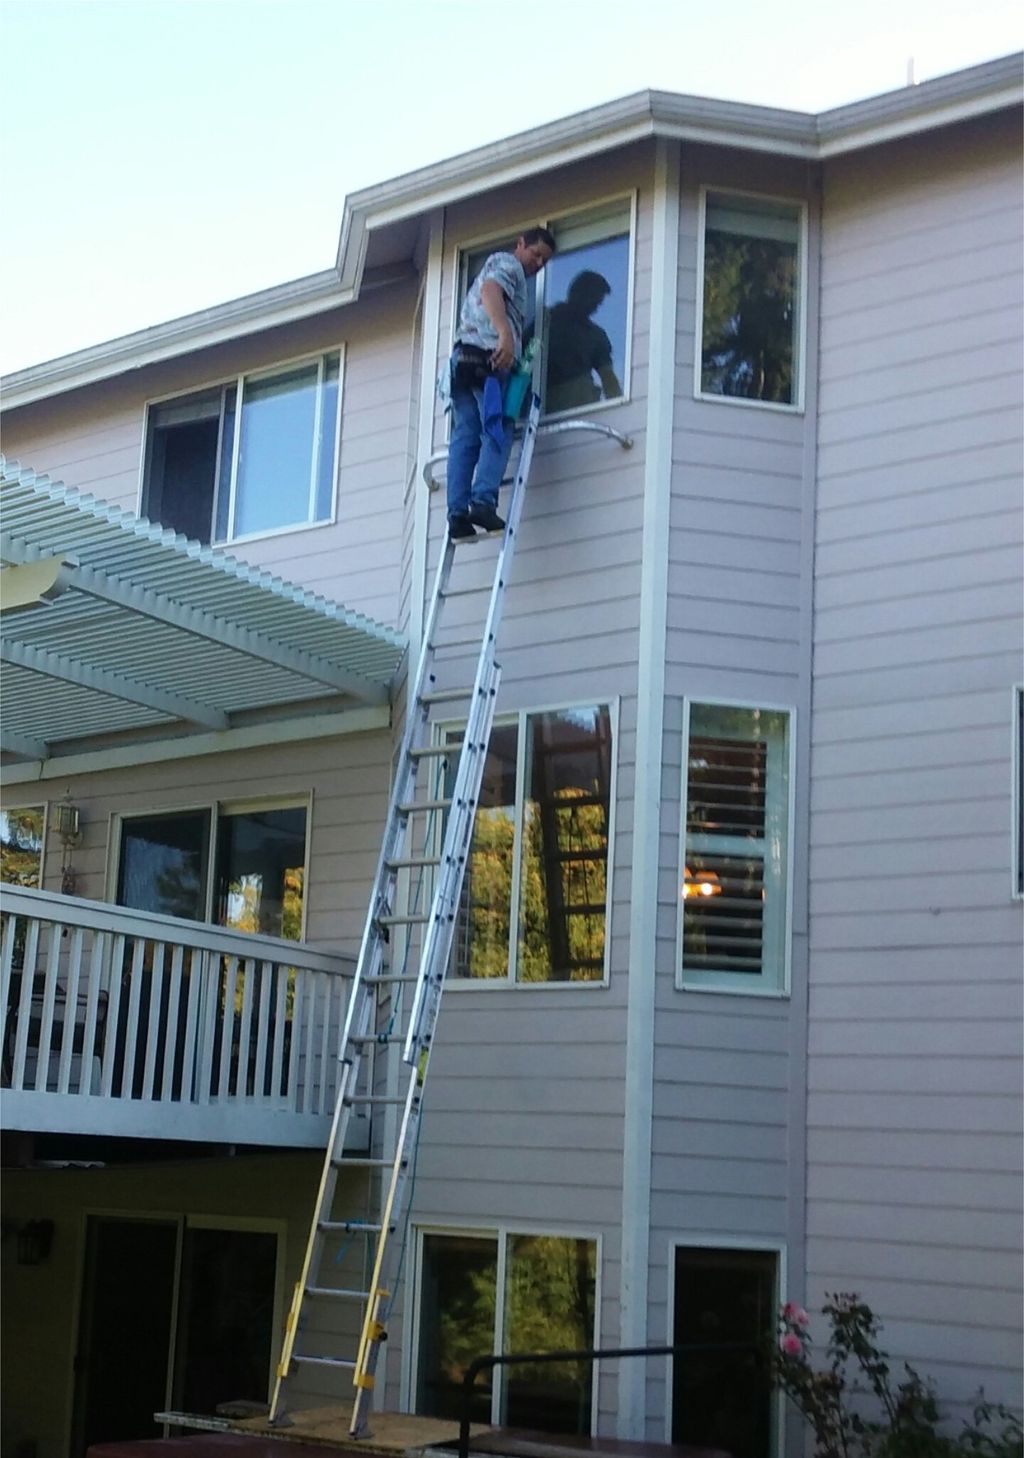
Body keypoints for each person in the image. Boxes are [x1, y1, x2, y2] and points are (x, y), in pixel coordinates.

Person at [445, 227, 555, 541]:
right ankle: (482, 501)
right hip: (487, 362)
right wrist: (506, 335)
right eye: (536, 254)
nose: (538, 264)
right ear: (520, 244)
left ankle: (457, 515)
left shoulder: (505, 269)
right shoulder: (508, 265)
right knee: (497, 426)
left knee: (466, 435)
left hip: (463, 361)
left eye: (544, 261)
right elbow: (490, 291)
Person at [544, 269, 621, 415]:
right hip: (546, 406)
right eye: (593, 301)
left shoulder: (595, 335)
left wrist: (619, 411)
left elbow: (608, 378)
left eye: (598, 304)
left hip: (581, 407)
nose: (594, 308)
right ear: (578, 294)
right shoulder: (545, 323)